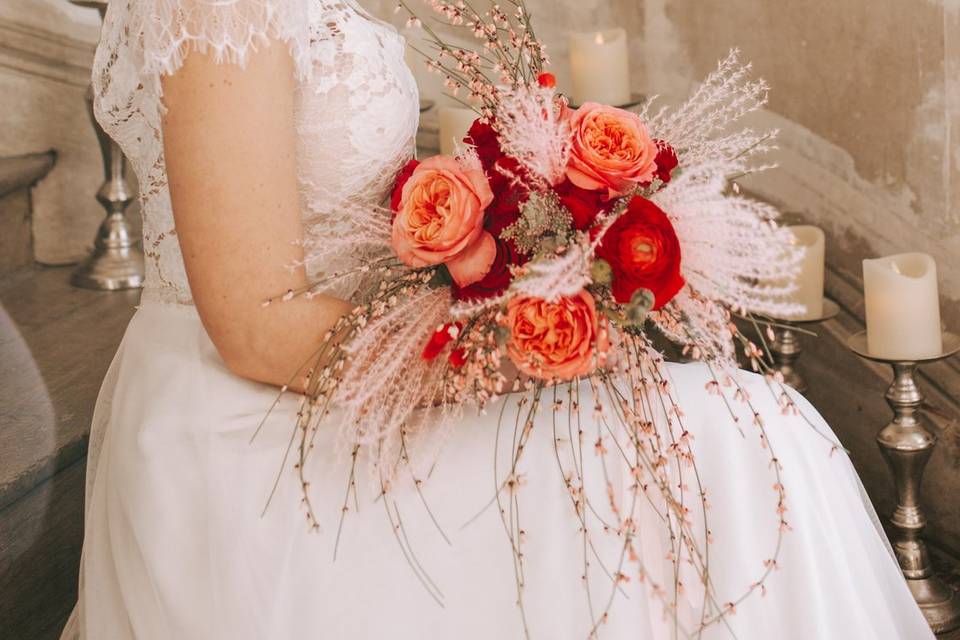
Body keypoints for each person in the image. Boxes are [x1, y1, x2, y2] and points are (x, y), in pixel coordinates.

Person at [62, 1, 935, 638]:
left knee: (751, 426)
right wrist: (506, 356)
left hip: (345, 372)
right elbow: (255, 324)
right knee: (743, 437)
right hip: (257, 428)